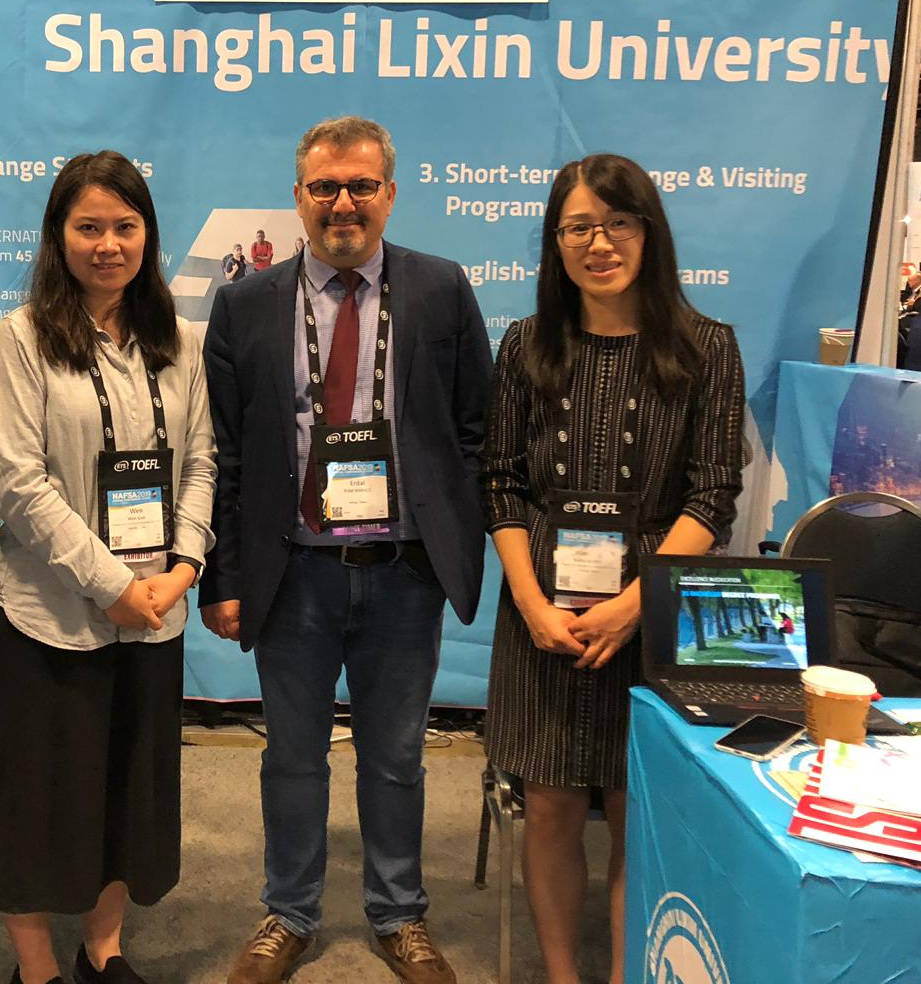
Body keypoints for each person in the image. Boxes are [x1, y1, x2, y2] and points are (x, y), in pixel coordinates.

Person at [202, 116, 492, 984]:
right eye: (325, 187)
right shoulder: (246, 303)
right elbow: (225, 453)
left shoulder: (442, 288)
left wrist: (451, 539)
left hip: (404, 574)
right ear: (298, 197)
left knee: (396, 759)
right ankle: (289, 913)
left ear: (389, 195)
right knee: (292, 757)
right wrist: (223, 577)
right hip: (292, 573)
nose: (343, 203)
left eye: (361, 186)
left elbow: (475, 428)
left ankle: (399, 915)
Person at [481, 153, 745, 984]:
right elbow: (501, 483)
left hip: (653, 613)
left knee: (640, 809)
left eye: (617, 223)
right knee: (552, 805)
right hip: (544, 613)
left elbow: (714, 495)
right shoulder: (526, 346)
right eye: (578, 228)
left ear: (648, 231)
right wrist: (530, 603)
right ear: (555, 243)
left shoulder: (707, 348)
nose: (599, 244)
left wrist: (635, 604)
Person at [0, 152, 216, 984]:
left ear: (148, 234)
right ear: (59, 236)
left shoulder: (180, 341)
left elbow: (201, 462)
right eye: (88, 227)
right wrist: (110, 586)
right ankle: (37, 969)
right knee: (36, 811)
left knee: (124, 801)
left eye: (125, 226)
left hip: (153, 615)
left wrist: (183, 568)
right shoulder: (20, 340)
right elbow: (19, 483)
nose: (108, 245)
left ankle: (102, 951)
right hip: (49, 619)